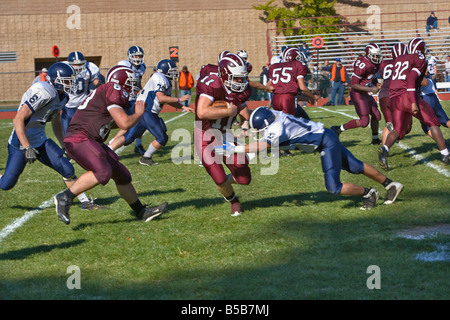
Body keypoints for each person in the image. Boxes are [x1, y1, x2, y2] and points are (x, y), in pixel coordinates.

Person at [216, 106, 404, 210]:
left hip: (324, 142)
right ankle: (391, 185)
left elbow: (264, 144)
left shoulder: (276, 129)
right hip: (326, 135)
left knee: (334, 186)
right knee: (354, 165)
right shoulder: (276, 115)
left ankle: (368, 193)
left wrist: (239, 148)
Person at [54, 65, 168, 225]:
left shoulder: (108, 92)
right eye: (131, 81)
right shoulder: (113, 89)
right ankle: (65, 197)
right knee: (103, 171)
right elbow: (124, 123)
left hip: (89, 139)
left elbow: (111, 123)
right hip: (80, 138)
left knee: (122, 175)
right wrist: (138, 114)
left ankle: (141, 212)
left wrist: (131, 116)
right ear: (120, 81)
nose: (134, 85)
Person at [0, 62, 104, 210]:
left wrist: (64, 144)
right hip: (20, 143)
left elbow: (55, 122)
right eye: (67, 80)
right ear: (56, 80)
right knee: (6, 184)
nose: (71, 84)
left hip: (41, 141)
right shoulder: (43, 92)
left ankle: (85, 202)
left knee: (67, 169)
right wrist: (27, 146)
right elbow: (18, 119)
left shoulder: (63, 97)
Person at [194, 53, 253, 217]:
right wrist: (228, 111)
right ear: (226, 75)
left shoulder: (242, 88)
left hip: (225, 135)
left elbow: (242, 107)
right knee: (218, 179)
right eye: (237, 79)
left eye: (243, 78)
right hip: (204, 134)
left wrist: (246, 122)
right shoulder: (212, 83)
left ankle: (225, 181)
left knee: (244, 178)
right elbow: (202, 111)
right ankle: (234, 201)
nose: (241, 83)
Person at [378, 38, 449, 170]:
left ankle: (385, 150)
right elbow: (411, 80)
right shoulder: (419, 57)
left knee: (398, 129)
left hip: (394, 97)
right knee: (433, 122)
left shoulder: (399, 59)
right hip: (407, 95)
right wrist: (413, 101)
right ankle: (445, 153)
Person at [109, 59, 192, 166]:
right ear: (165, 71)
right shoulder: (159, 77)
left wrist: (182, 107)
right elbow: (161, 98)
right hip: (147, 112)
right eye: (172, 70)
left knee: (128, 138)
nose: (175, 73)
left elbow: (167, 98)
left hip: (144, 112)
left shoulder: (164, 80)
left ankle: (107, 149)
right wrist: (179, 99)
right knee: (162, 137)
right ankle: (146, 157)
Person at [331, 43, 383, 145]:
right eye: (375, 55)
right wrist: (371, 89)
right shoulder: (363, 64)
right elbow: (353, 84)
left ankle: (375, 139)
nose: (377, 57)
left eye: (378, 55)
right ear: (369, 54)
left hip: (365, 92)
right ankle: (338, 129)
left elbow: (370, 77)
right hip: (357, 93)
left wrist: (376, 83)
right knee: (364, 122)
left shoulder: (375, 63)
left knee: (376, 116)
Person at [110, 46, 147, 155]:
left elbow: (138, 82)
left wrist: (140, 90)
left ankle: (138, 144)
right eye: (135, 56)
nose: (137, 58)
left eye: (139, 56)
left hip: (132, 97)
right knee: (128, 121)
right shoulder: (124, 65)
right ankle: (112, 143)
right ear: (130, 56)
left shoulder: (142, 67)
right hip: (123, 97)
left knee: (140, 119)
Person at [266, 47, 318, 117]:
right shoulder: (297, 66)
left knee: (284, 121)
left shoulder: (276, 66)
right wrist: (312, 96)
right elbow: (302, 87)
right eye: (298, 58)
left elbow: (267, 87)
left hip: (276, 98)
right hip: (287, 99)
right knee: (293, 122)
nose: (300, 60)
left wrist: (279, 90)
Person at [61, 51, 102, 136]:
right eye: (74, 64)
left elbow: (95, 81)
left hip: (84, 105)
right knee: (67, 135)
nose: (77, 67)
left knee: (86, 132)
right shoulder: (65, 69)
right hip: (68, 106)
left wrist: (102, 85)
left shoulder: (90, 69)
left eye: (80, 64)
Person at [377, 42, 406, 145]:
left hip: (383, 95)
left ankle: (384, 149)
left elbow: (380, 80)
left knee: (388, 123)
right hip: (395, 95)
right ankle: (396, 134)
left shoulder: (384, 63)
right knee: (403, 123)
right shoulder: (404, 63)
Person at [420, 69, 450, 136]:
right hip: (433, 96)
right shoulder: (426, 68)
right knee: (445, 120)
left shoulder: (419, 70)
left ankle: (443, 145)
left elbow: (424, 83)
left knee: (427, 127)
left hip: (424, 98)